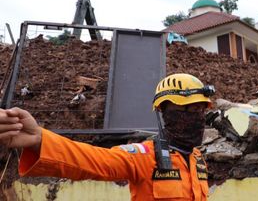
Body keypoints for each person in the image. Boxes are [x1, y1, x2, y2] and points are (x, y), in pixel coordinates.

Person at [0, 73, 213, 201]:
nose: (198, 118)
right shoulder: (145, 156)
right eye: (189, 111)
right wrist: (40, 139)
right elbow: (93, 160)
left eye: (202, 110)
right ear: (165, 114)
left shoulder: (197, 159)